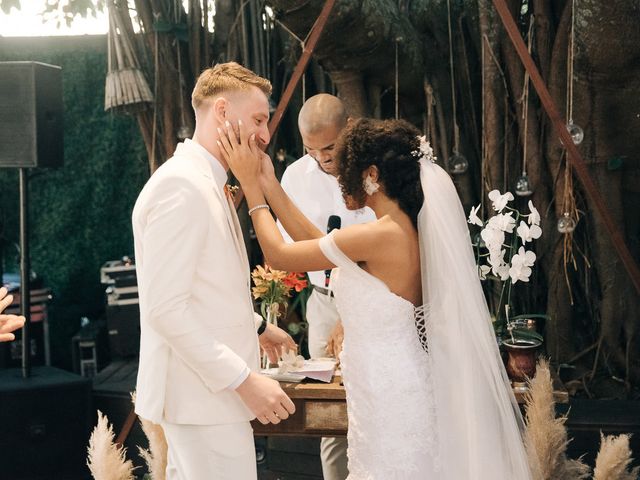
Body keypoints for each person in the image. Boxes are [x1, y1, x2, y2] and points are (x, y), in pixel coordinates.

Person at [218, 117, 535, 479]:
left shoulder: (382, 235)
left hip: (392, 394)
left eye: (344, 175)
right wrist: (268, 182)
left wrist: (250, 190)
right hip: (385, 387)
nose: (341, 186)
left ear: (370, 175)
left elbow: (280, 255)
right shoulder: (399, 228)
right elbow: (313, 243)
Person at [132, 62, 297, 480]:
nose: (265, 134)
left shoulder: (205, 181)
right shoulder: (181, 186)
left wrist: (257, 325)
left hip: (207, 401)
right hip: (200, 400)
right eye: (259, 119)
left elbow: (202, 287)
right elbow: (165, 309)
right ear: (222, 111)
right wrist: (244, 380)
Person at [278, 94, 376, 480]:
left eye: (330, 147)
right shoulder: (294, 178)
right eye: (312, 149)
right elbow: (295, 250)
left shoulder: (374, 171)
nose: (322, 158)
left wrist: (353, 314)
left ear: (349, 128)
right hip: (322, 303)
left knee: (374, 401)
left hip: (378, 300)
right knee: (329, 409)